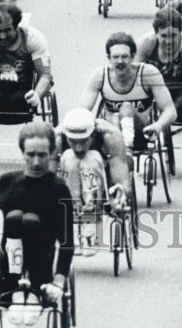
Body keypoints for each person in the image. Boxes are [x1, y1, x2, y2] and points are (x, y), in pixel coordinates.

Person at [0, 120, 74, 325]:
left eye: (42, 155)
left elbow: (67, 240)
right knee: (14, 218)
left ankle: (34, 292)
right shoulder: (7, 182)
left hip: (42, 260)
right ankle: (15, 290)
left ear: (52, 153)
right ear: (22, 153)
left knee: (30, 221)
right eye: (30, 155)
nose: (37, 162)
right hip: (10, 261)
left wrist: (59, 280)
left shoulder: (59, 189)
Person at [80, 32, 176, 152]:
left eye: (124, 56)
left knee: (126, 108)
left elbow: (170, 110)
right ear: (108, 58)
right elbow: (82, 111)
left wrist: (158, 126)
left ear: (133, 57)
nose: (120, 61)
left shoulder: (148, 73)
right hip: (110, 134)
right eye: (115, 57)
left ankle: (127, 149)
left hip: (141, 132)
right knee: (114, 116)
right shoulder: (100, 76)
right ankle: (124, 150)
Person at [56, 108, 132, 254]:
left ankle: (90, 225)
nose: (78, 147)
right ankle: (72, 226)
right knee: (69, 157)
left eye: (84, 141)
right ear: (66, 136)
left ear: (93, 133)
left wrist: (120, 194)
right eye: (72, 141)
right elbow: (47, 178)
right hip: (67, 182)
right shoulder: (56, 138)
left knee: (91, 158)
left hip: (102, 180)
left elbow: (122, 179)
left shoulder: (110, 135)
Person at [137, 8, 182, 121]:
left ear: (181, 32)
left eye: (173, 35)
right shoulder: (146, 43)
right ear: (156, 34)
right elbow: (133, 76)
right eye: (163, 36)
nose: (168, 41)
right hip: (155, 97)